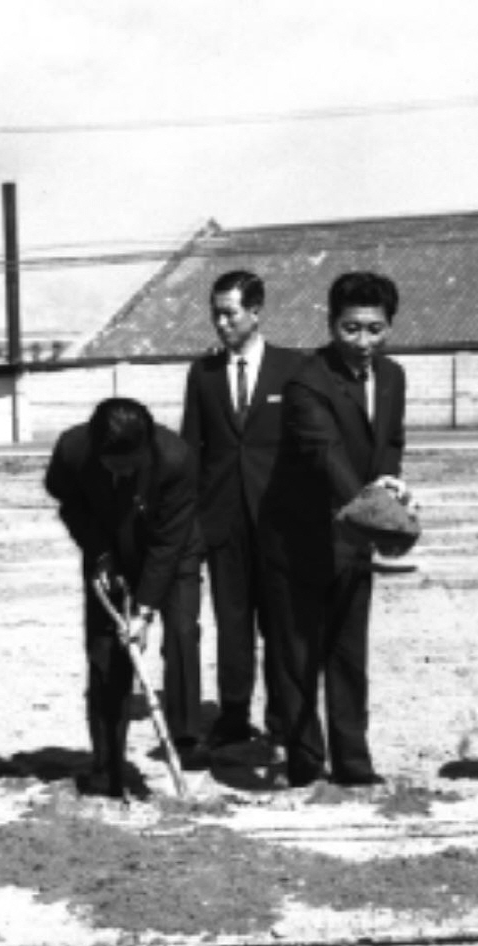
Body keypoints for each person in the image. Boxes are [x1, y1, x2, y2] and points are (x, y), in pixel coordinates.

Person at [260, 271, 410, 788]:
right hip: (296, 542)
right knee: (298, 657)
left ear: (389, 326)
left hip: (352, 540)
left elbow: (389, 444)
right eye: (351, 329)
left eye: (375, 329)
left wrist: (391, 488)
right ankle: (305, 767)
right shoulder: (306, 381)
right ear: (331, 325)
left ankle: (354, 765)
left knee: (349, 654)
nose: (364, 342)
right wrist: (375, 511)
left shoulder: (392, 376)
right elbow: (325, 455)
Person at [44, 397, 203, 798]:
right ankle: (107, 764)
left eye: (133, 464)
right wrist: (99, 552)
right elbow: (68, 502)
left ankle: (185, 747)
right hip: (107, 550)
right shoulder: (72, 449)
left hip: (173, 548)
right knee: (105, 656)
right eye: (117, 466)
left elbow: (168, 544)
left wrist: (145, 612)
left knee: (182, 633)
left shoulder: (176, 459)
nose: (127, 471)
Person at [181, 268, 301, 754]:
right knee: (232, 627)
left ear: (256, 312)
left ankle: (281, 720)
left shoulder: (293, 368)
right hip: (223, 522)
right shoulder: (203, 374)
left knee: (279, 626)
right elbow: (192, 447)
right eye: (215, 314)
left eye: (229, 313)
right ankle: (233, 717)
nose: (221, 323)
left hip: (278, 525)